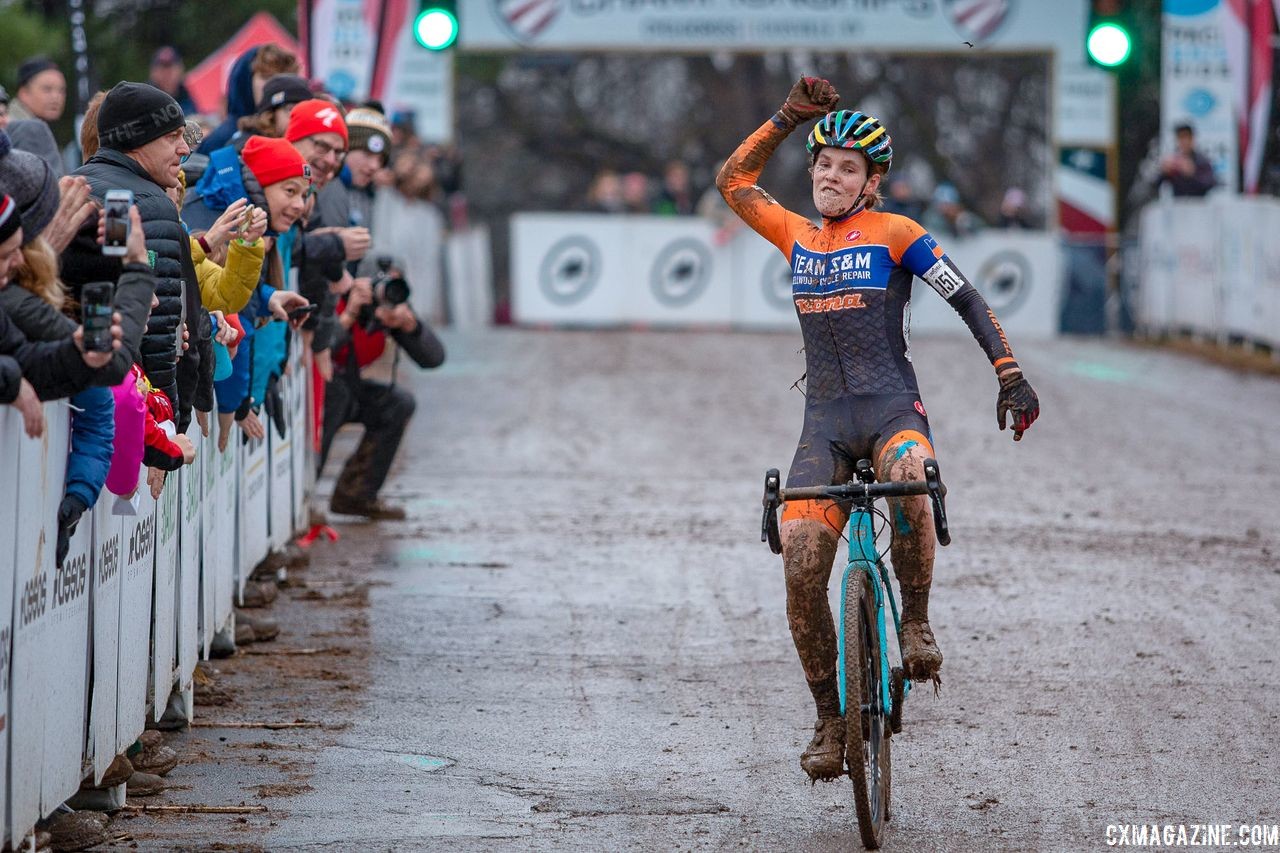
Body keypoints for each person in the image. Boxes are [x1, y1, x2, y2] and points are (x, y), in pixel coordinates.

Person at [717, 77, 1040, 782]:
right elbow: (734, 179)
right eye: (824, 163)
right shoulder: (796, 234)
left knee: (910, 477)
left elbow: (969, 299)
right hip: (824, 423)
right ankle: (831, 722)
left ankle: (916, 620)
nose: (832, 175)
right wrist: (785, 119)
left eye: (848, 168)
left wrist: (1009, 372)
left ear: (872, 183)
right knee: (800, 562)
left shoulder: (899, 235)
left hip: (892, 409)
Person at [1158, 122, 1216, 197]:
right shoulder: (1174, 161)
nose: (1184, 142)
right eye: (1180, 138)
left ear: (1192, 139)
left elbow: (1209, 184)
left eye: (1186, 137)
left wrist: (1192, 174)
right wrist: (1164, 172)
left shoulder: (1202, 161)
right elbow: (1156, 185)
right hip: (1178, 205)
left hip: (1199, 205)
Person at [8, 57, 66, 127]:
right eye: (47, 89)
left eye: (61, 91)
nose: (56, 97)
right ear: (24, 93)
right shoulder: (9, 128)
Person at [148, 47, 196, 116]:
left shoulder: (186, 94)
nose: (167, 75)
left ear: (180, 69)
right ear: (153, 73)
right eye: (162, 70)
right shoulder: (146, 98)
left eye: (171, 70)